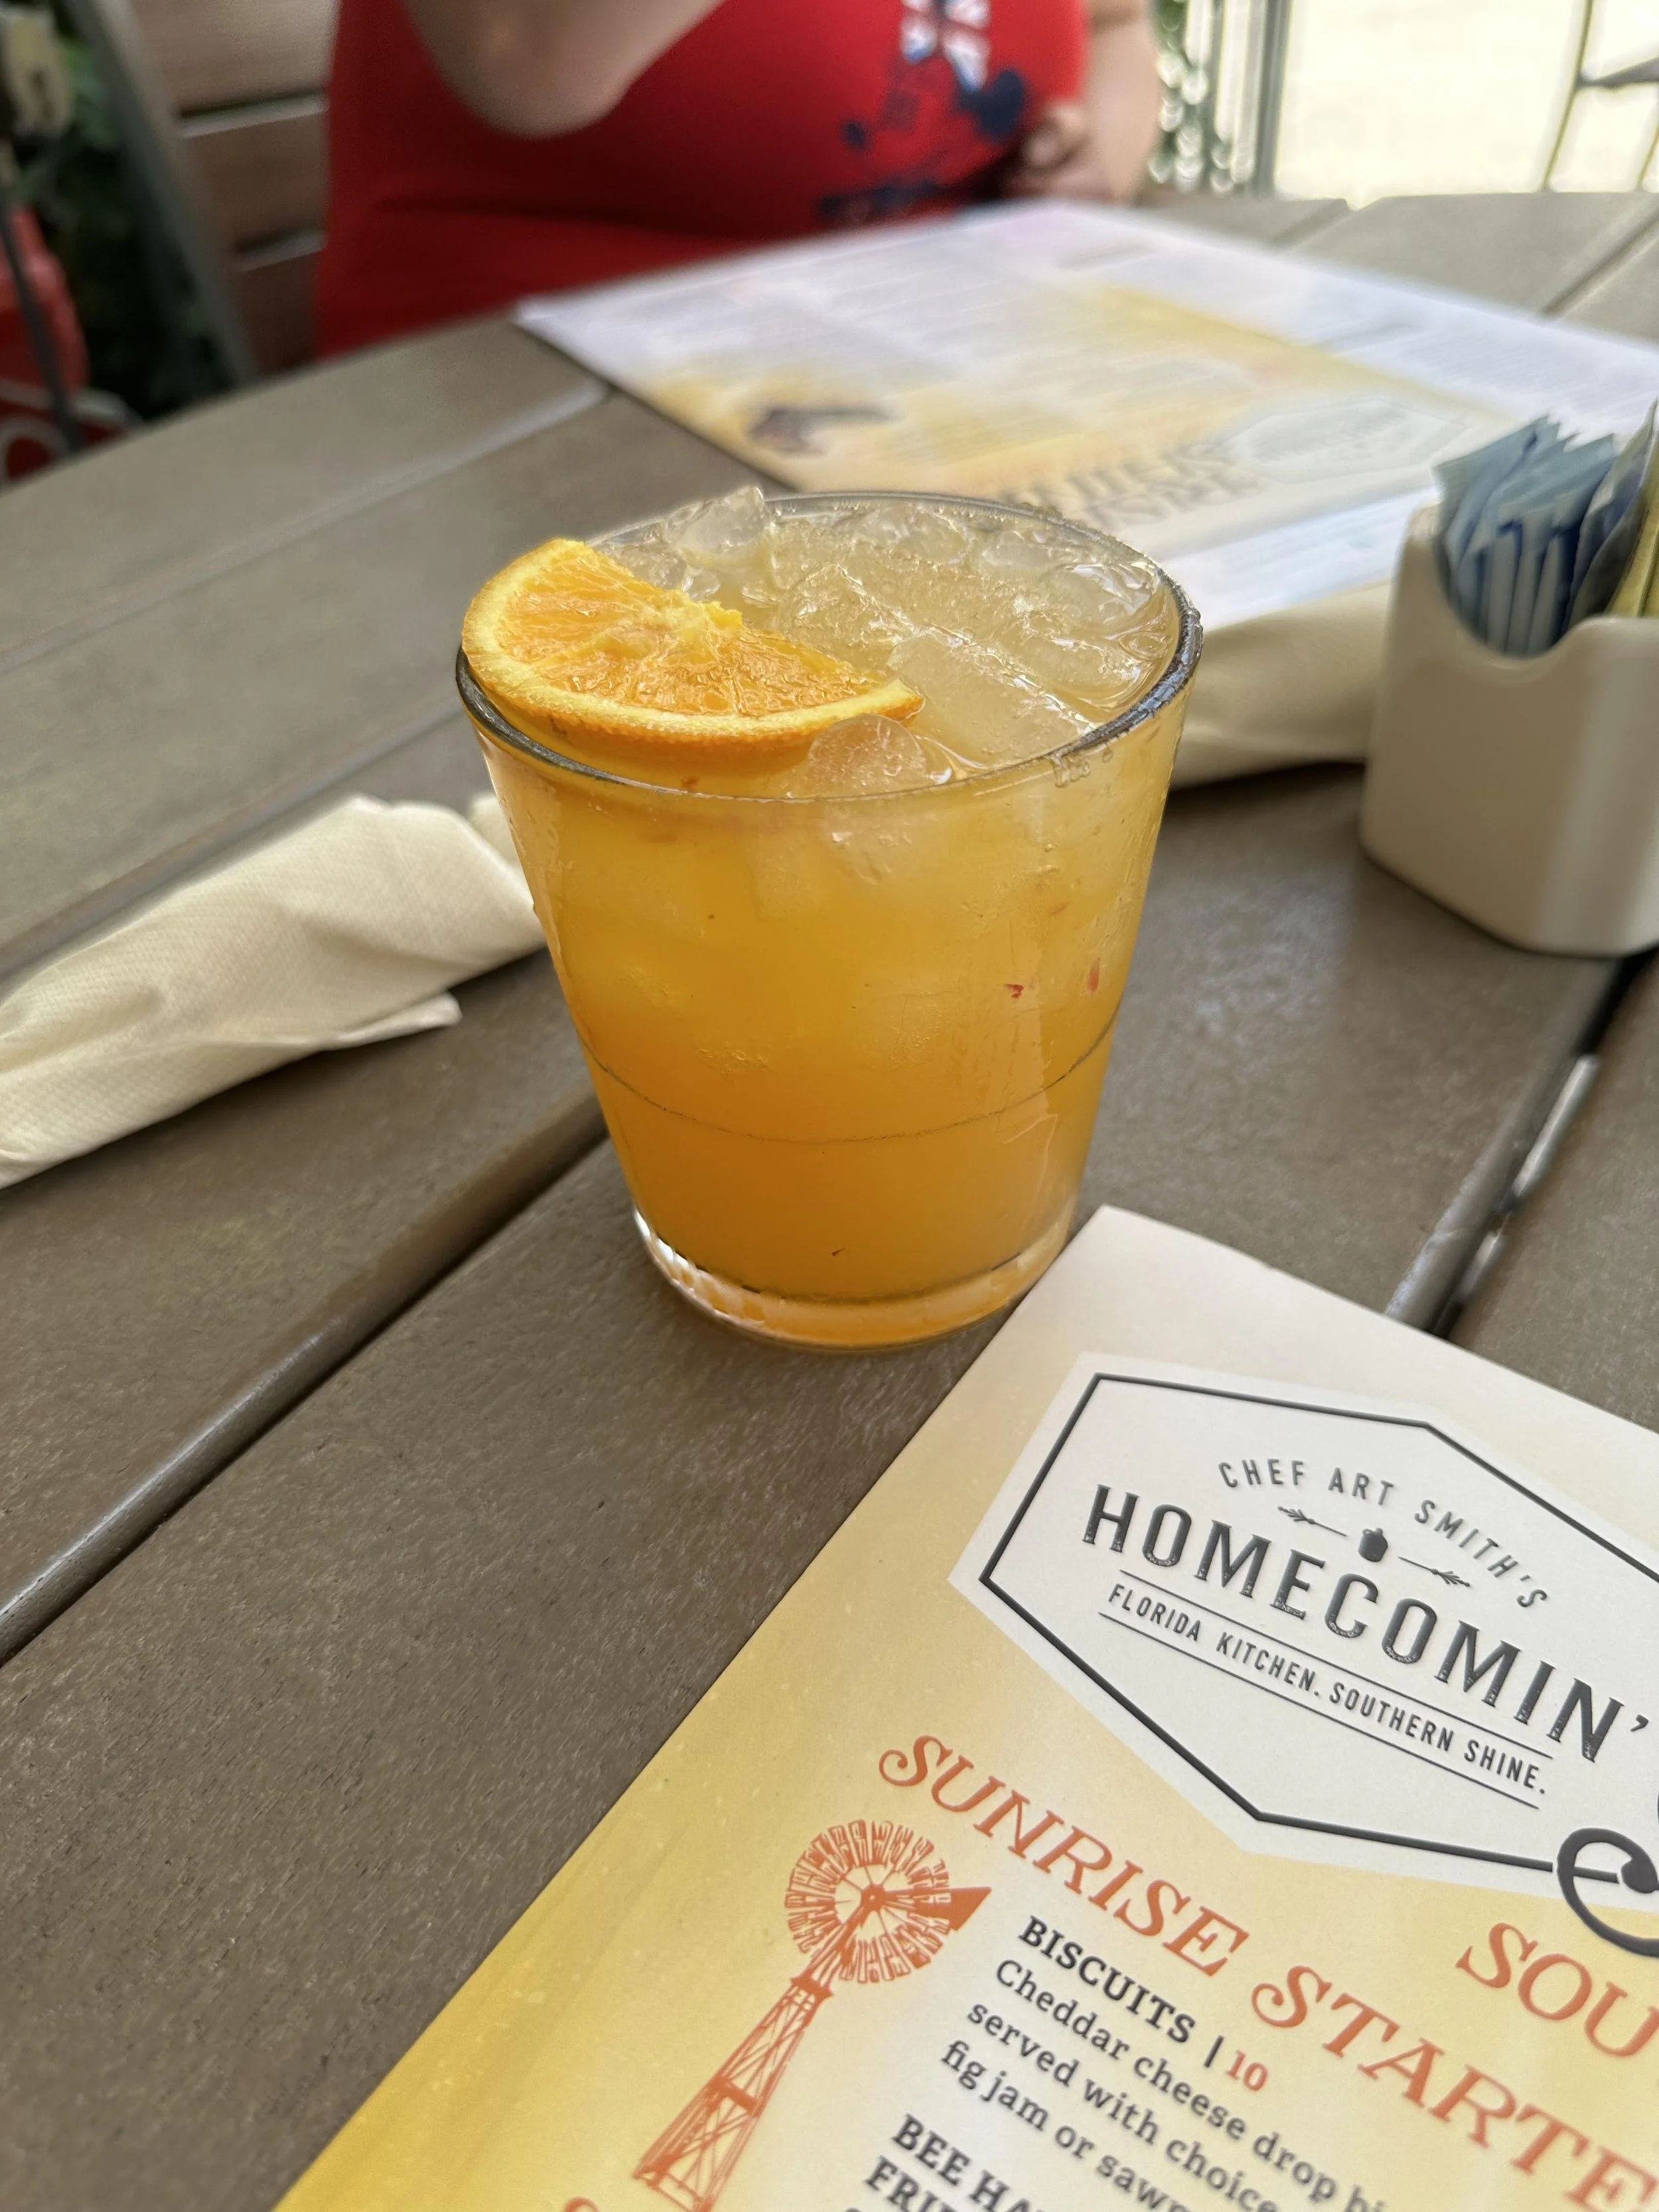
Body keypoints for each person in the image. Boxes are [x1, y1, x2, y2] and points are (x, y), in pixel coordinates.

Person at [318, 0, 1162, 356]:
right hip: (531, 382)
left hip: (947, 365)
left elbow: (1117, 23)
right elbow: (527, 60)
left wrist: (1101, 152)